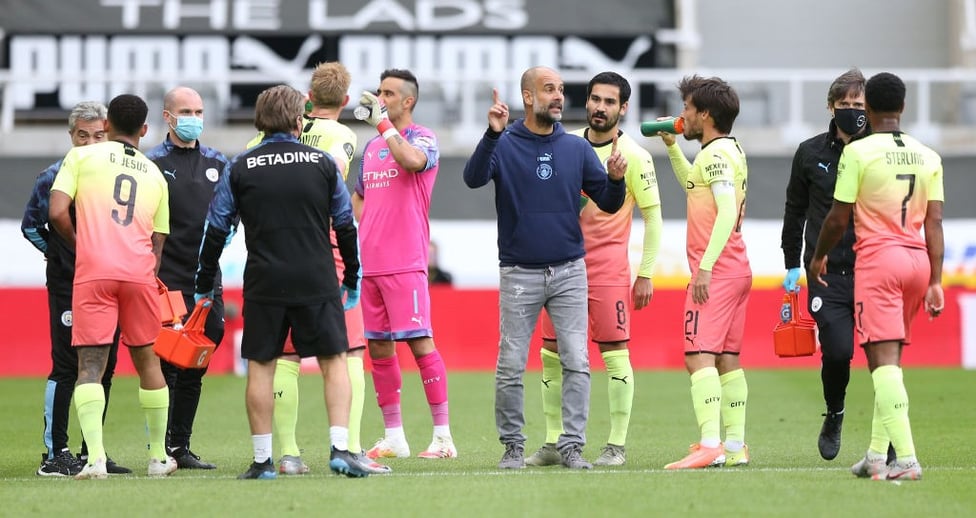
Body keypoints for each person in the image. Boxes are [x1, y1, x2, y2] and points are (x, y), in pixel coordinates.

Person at [194, 84, 369, 479]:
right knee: (334, 361)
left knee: (263, 367)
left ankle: (263, 461)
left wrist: (204, 280)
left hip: (264, 279)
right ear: (298, 119)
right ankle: (341, 449)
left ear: (259, 120)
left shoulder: (240, 166)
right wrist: (353, 275)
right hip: (317, 275)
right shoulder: (323, 164)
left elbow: (216, 228)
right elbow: (345, 224)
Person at [463, 66, 627, 470]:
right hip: (519, 272)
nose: (558, 96)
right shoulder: (504, 142)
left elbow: (607, 201)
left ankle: (571, 447)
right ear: (528, 97)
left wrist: (617, 180)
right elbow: (472, 178)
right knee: (510, 366)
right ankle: (513, 448)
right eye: (549, 89)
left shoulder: (575, 148)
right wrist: (492, 134)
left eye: (561, 90)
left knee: (577, 361)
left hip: (570, 270)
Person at [247, 62, 390, 475]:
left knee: (286, 353)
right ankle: (352, 448)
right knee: (348, 350)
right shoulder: (341, 134)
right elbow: (327, 183)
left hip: (274, 246)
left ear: (308, 99)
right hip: (324, 244)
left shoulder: (267, 135)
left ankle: (289, 453)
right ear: (345, 101)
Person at [809, 72, 944, 482]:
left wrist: (818, 258)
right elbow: (934, 223)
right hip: (918, 264)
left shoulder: (860, 153)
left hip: (879, 265)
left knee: (882, 364)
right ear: (903, 107)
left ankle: (905, 459)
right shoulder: (928, 155)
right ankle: (874, 456)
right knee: (893, 362)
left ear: (867, 108)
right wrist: (937, 280)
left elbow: (837, 218)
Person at [525, 71, 662, 468]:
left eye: (609, 101)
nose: (600, 107)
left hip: (607, 272)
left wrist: (646, 272)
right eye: (595, 99)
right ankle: (553, 442)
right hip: (559, 267)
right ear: (586, 102)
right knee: (551, 353)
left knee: (614, 353)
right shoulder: (565, 147)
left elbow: (653, 218)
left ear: (623, 108)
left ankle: (616, 445)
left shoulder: (635, 156)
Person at [48, 94, 176, 480]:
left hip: (95, 270)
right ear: (144, 130)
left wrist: (81, 244)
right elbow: (158, 242)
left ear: (106, 128)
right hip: (138, 272)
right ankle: (158, 457)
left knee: (90, 364)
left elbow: (55, 211)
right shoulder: (155, 174)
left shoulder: (81, 158)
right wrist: (143, 272)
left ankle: (95, 460)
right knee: (148, 361)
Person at [21, 101, 131, 477]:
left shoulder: (114, 175)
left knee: (106, 365)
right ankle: (54, 454)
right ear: (71, 136)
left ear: (108, 135)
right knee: (68, 365)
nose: (90, 142)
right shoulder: (53, 175)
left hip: (107, 282)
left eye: (98, 135)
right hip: (69, 285)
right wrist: (63, 257)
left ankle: (91, 452)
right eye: (82, 135)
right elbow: (32, 226)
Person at [352, 69, 457, 461]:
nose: (381, 98)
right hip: (372, 264)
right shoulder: (373, 148)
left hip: (406, 261)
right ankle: (394, 435)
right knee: (378, 347)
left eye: (389, 93)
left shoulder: (422, 138)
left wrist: (381, 125)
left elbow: (413, 162)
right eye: (379, 92)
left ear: (407, 101)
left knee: (419, 342)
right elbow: (359, 197)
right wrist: (366, 229)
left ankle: (443, 437)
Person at [651, 75, 751, 470]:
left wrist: (706, 268)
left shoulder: (715, 156)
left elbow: (726, 210)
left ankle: (711, 443)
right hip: (738, 269)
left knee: (697, 357)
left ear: (705, 114)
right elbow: (696, 185)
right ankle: (734, 446)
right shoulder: (728, 151)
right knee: (727, 359)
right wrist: (674, 148)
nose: (682, 116)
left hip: (718, 272)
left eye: (688, 109)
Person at [781, 69, 870, 461]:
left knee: (884, 357)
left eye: (858, 105)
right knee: (837, 352)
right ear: (831, 106)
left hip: (873, 269)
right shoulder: (810, 152)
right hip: (825, 271)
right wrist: (790, 265)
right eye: (844, 104)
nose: (851, 111)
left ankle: (888, 436)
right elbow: (795, 210)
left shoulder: (878, 153)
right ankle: (835, 413)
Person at [144, 86, 229, 470]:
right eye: (186, 111)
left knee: (197, 361)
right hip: (166, 280)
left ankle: (180, 446)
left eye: (198, 110)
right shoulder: (152, 163)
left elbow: (231, 214)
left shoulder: (218, 161)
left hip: (206, 279)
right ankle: (160, 449)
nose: (194, 117)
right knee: (166, 367)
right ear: (167, 116)